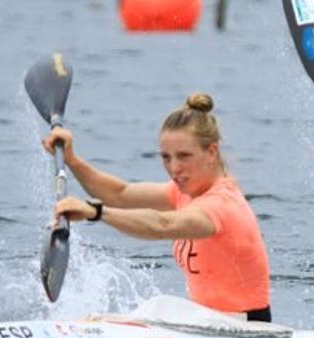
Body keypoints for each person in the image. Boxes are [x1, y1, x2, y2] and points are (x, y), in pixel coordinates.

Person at [47, 93, 273, 322]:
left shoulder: (223, 205)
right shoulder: (184, 193)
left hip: (244, 327)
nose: (174, 168)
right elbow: (120, 194)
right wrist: (72, 160)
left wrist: (96, 212)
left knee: (139, 313)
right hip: (206, 321)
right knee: (113, 318)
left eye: (184, 156)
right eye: (166, 157)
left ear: (212, 152)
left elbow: (163, 224)